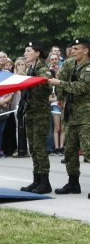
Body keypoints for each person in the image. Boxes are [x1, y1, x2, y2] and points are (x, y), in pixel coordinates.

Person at [48, 38, 90, 196]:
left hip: (86, 116)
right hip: (70, 114)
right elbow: (60, 78)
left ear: (85, 51)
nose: (73, 51)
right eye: (72, 49)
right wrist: (59, 94)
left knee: (89, 150)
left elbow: (82, 88)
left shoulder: (88, 68)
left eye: (77, 49)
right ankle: (73, 183)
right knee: (70, 151)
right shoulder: (69, 64)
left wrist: (60, 84)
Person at [20, 41, 52, 194]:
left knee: (40, 147)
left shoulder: (43, 69)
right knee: (32, 147)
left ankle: (45, 182)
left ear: (37, 53)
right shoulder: (29, 70)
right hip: (31, 112)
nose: (25, 53)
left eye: (28, 51)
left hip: (41, 113)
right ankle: (36, 180)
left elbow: (47, 85)